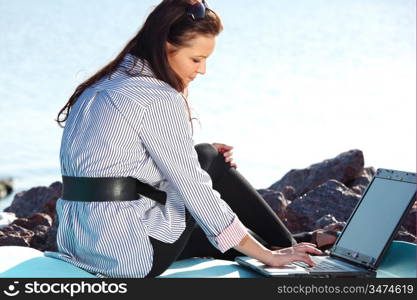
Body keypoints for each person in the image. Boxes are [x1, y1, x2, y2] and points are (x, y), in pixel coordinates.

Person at [47, 0, 331, 278]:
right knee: (211, 163)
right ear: (165, 48)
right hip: (129, 254)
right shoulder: (158, 97)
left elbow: (117, 167)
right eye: (196, 59)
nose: (202, 70)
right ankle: (286, 248)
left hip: (82, 241)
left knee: (207, 176)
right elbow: (194, 189)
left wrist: (195, 157)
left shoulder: (105, 83)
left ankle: (289, 245)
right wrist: (269, 258)